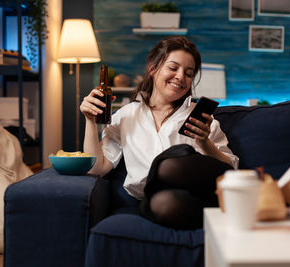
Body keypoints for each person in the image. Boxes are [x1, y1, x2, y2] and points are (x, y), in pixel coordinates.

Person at [80, 35, 239, 229]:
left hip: (198, 192)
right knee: (165, 202)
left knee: (169, 167)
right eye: (173, 68)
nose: (181, 76)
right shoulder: (126, 116)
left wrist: (205, 142)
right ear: (153, 69)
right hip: (156, 201)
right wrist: (90, 120)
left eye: (188, 73)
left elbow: (231, 171)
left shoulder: (202, 121)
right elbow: (96, 169)